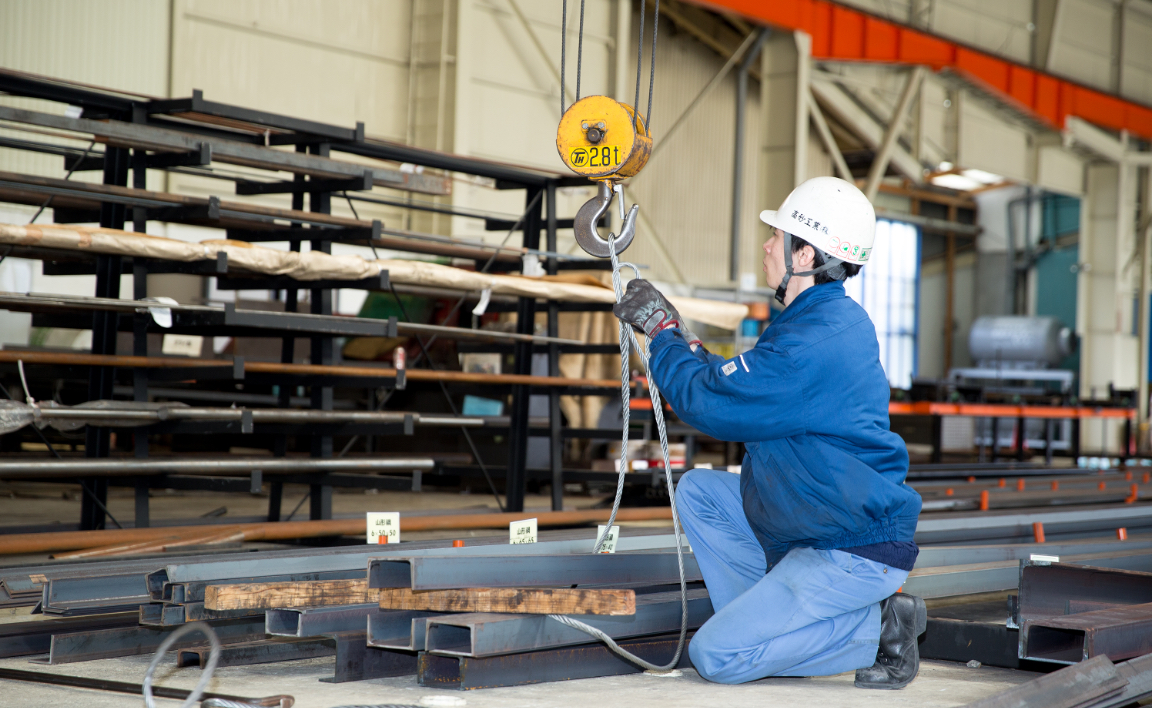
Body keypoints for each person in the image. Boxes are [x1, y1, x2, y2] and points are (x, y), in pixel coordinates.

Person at [612, 176, 925, 689]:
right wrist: (682, 339)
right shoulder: (813, 321)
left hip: (847, 547)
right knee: (698, 491)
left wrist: (662, 336)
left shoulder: (813, 340)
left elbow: (713, 402)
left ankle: (879, 629)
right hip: (813, 521)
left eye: (777, 236)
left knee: (715, 657)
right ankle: (763, 623)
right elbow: (738, 385)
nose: (767, 245)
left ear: (804, 256)